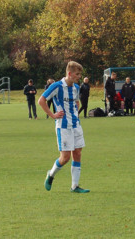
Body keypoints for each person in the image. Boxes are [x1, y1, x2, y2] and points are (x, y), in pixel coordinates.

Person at [39, 61, 90, 193]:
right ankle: (51, 175)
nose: (79, 76)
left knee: (78, 153)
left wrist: (76, 116)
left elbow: (76, 103)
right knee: (65, 157)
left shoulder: (76, 88)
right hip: (63, 127)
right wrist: (52, 115)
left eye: (80, 74)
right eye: (77, 74)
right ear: (69, 73)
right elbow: (41, 100)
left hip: (76, 125)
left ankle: (75, 186)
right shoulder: (57, 86)